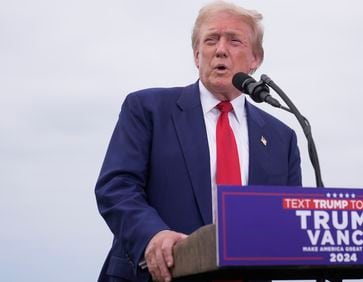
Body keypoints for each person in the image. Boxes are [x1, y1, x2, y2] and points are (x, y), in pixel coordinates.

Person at [95, 1, 301, 281]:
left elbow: (287, 219)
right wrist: (152, 235)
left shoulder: (282, 137)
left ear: (255, 60)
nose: (220, 49)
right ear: (196, 55)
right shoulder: (147, 109)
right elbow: (116, 188)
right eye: (211, 39)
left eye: (235, 41)